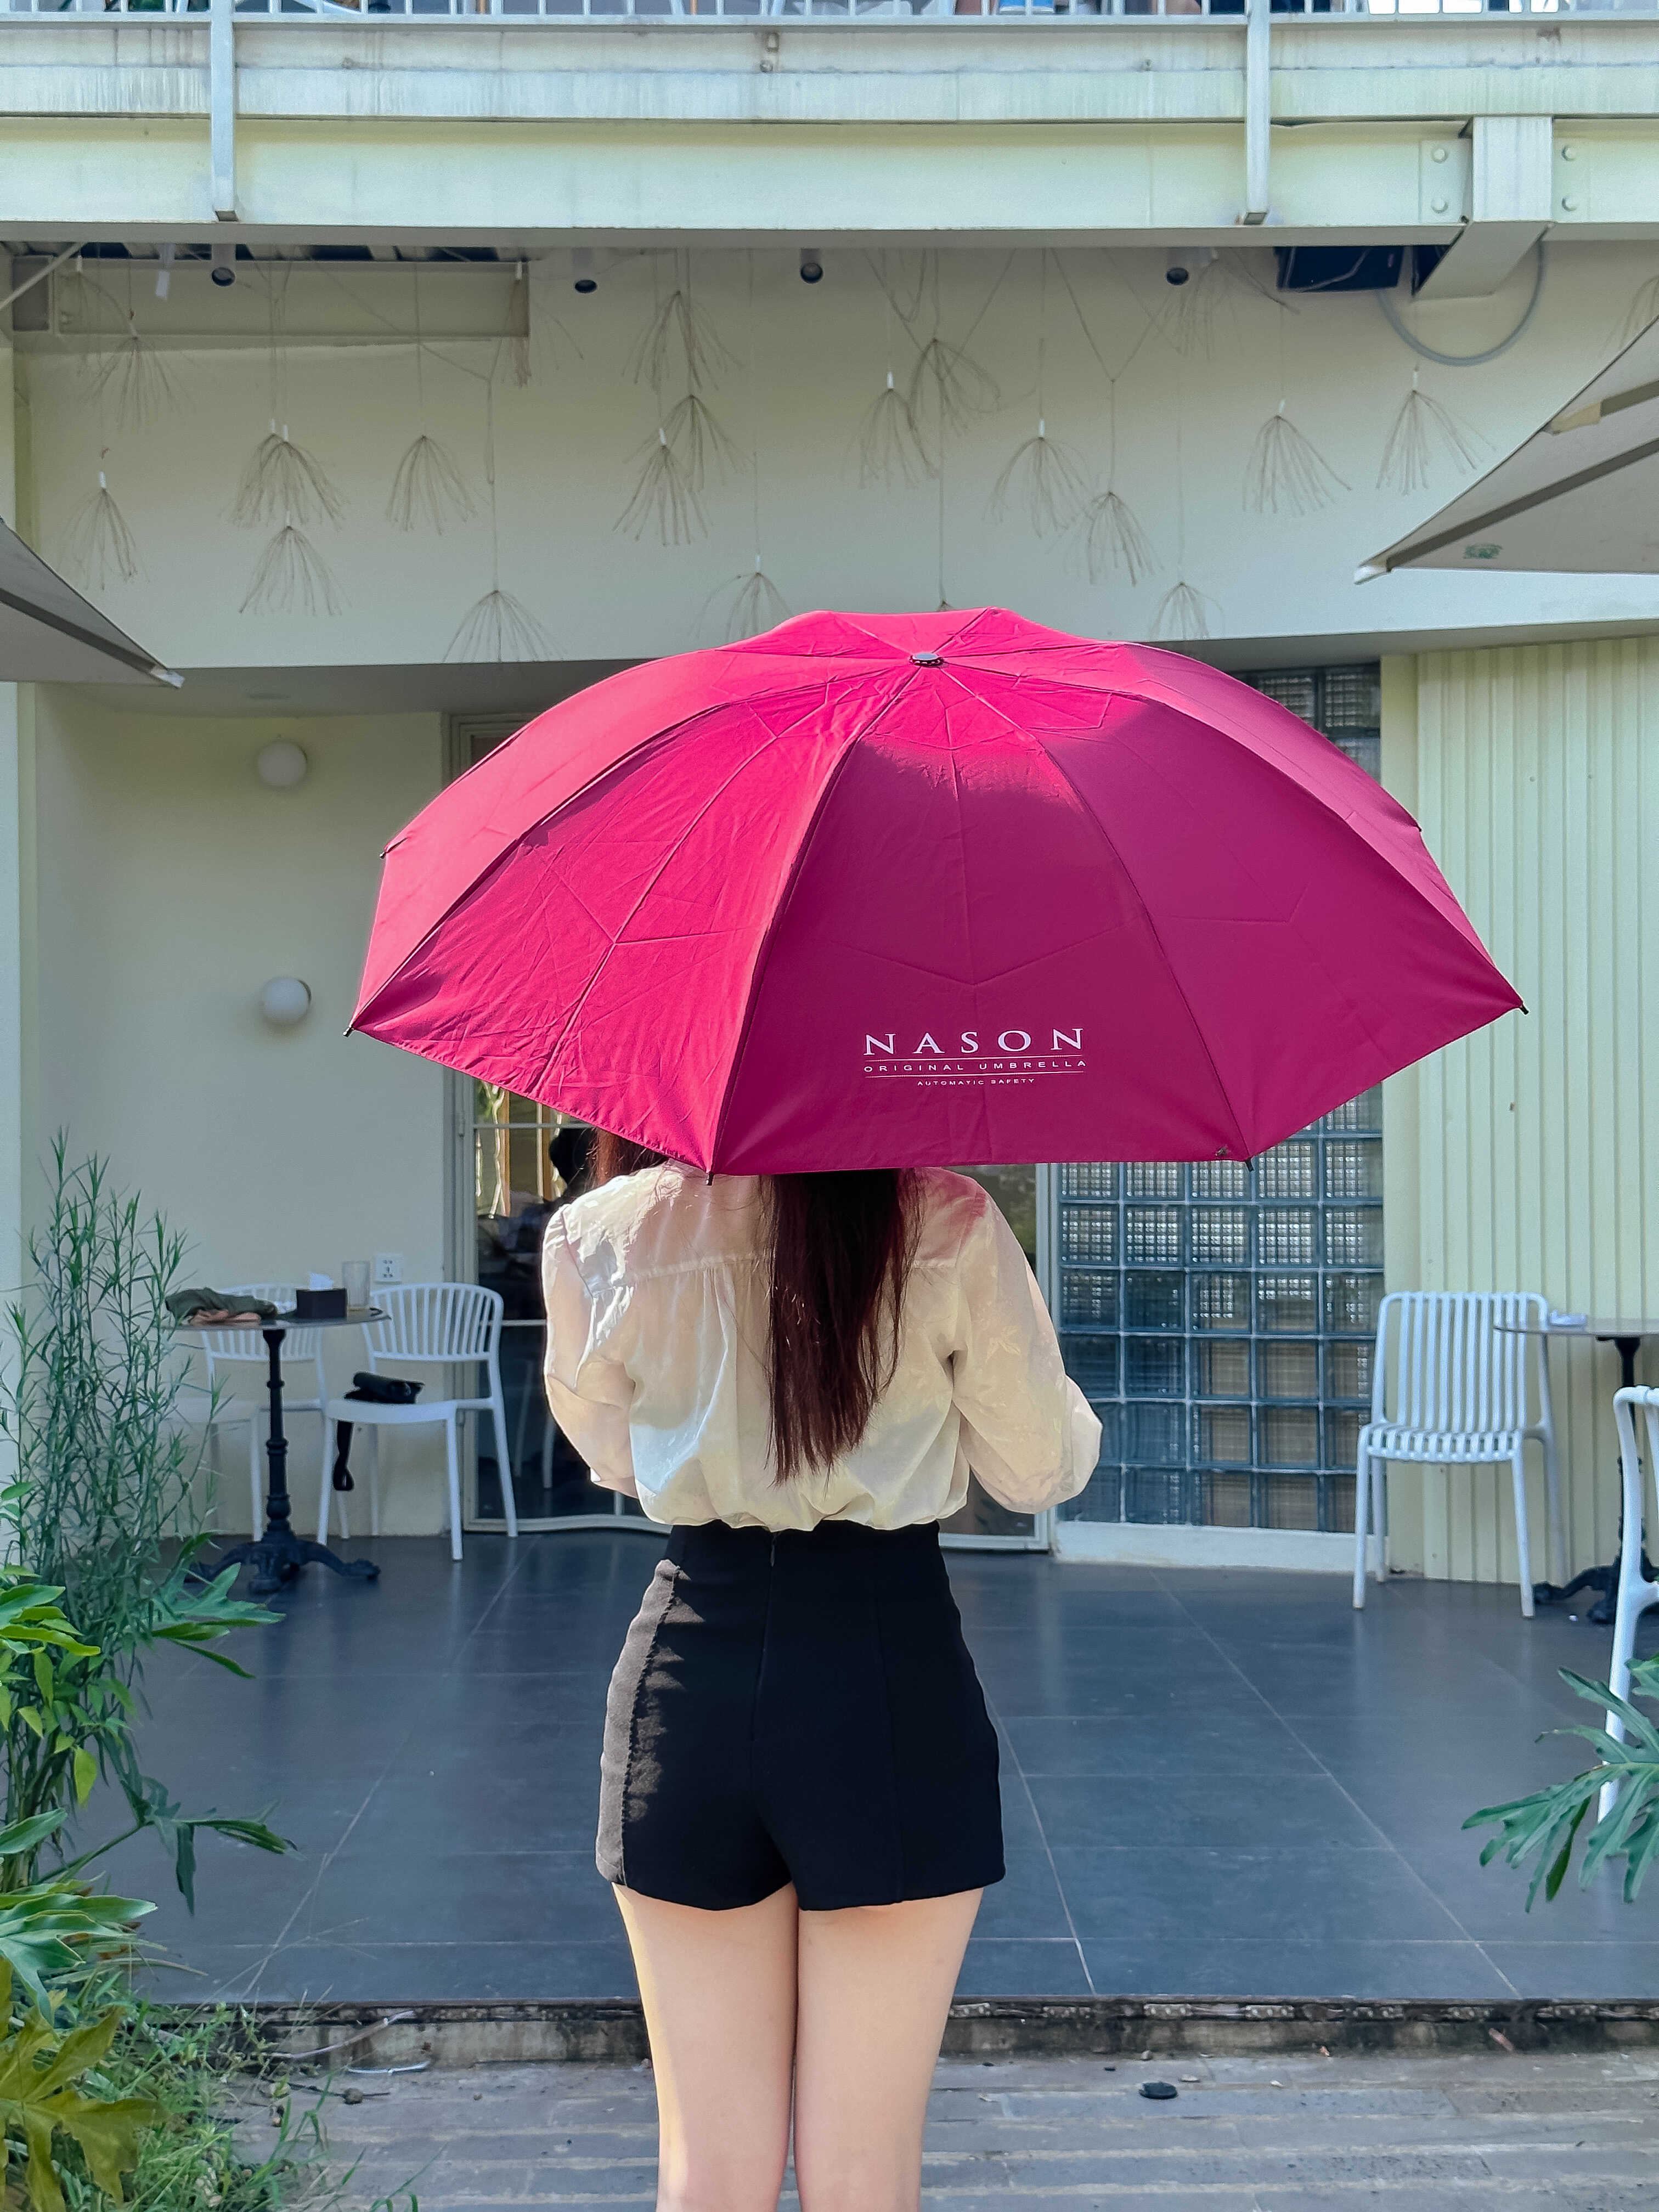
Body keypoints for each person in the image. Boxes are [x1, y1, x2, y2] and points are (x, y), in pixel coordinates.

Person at [542, 1134, 1099, 2212]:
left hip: (690, 1673)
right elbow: (1038, 1470)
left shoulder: (602, 1235)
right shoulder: (947, 1221)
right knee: (863, 2175)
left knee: (707, 2176)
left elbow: (613, 1455)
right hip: (886, 1672)